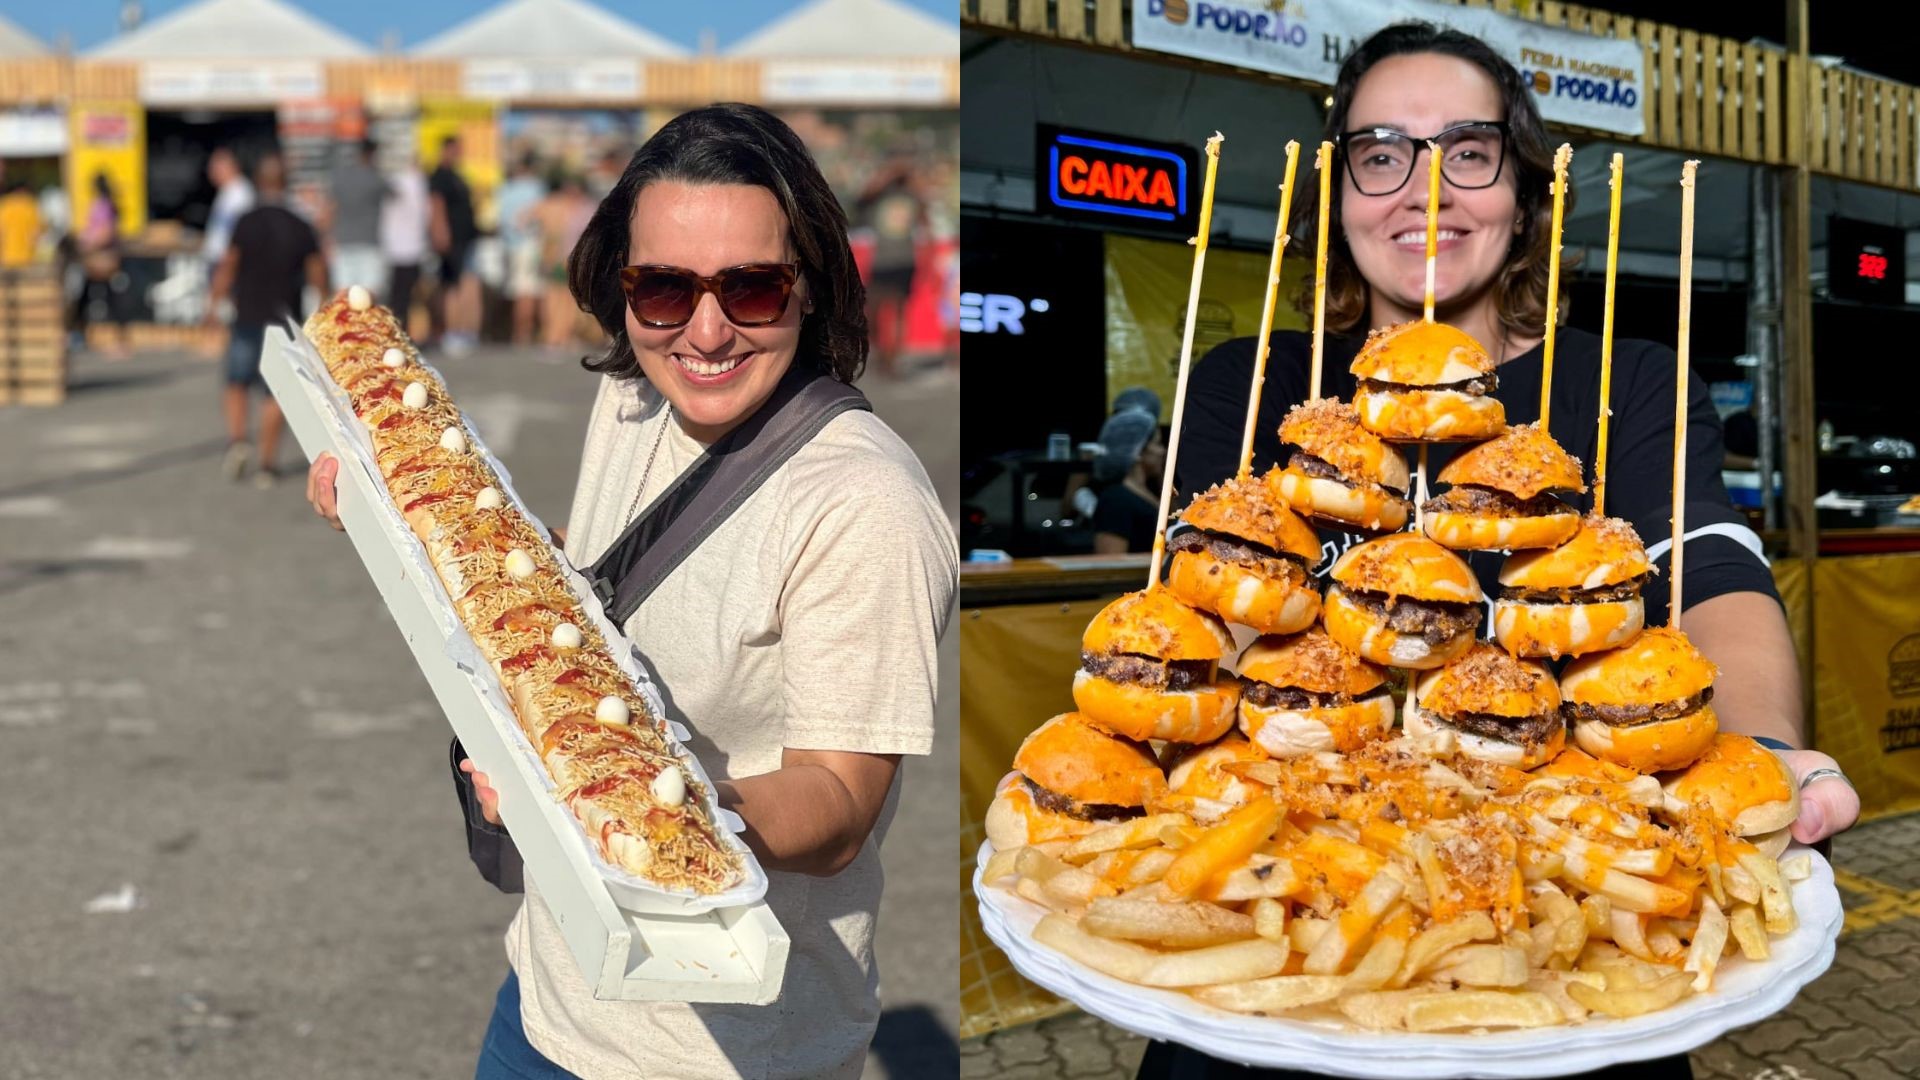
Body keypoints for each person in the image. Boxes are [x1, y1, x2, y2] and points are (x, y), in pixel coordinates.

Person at [1160, 22, 1859, 1079]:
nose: (1424, 191)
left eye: (1470, 153)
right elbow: (1188, 618)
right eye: (1381, 153)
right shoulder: (1255, 384)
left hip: (1570, 978)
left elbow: (1713, 574)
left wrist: (1761, 753)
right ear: (1338, 193)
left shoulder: (1627, 383)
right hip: (1280, 952)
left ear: (1528, 196)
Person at [305, 103, 957, 1079]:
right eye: (662, 288)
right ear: (622, 283)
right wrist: (409, 523)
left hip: (732, 1053)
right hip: (547, 1005)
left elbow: (839, 801)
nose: (704, 331)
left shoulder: (864, 501)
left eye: (752, 287)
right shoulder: (635, 387)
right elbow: (593, 581)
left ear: (812, 286)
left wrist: (628, 805)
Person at [207, 154, 327, 487]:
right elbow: (318, 273)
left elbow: (229, 265)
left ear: (259, 183)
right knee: (277, 393)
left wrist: (213, 305)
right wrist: (325, 308)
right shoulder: (300, 224)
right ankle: (267, 464)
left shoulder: (245, 221)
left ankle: (238, 439)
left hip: (247, 314)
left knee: (236, 382)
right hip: (284, 319)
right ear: (285, 183)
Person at [855, 156, 926, 377]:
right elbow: (860, 201)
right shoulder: (879, 197)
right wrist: (885, 175)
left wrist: (909, 175)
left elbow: (925, 212)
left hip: (904, 261)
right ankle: (881, 354)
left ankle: (892, 359)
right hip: (882, 262)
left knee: (897, 312)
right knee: (873, 312)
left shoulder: (912, 196)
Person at [428, 135, 480, 353]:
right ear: (445, 150)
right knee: (452, 286)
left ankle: (463, 331)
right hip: (452, 240)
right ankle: (452, 332)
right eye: (454, 149)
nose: (457, 153)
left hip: (466, 238)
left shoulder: (457, 176)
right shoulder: (440, 176)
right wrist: (441, 232)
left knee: (464, 285)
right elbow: (437, 205)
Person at [531, 169, 593, 349]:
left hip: (568, 257)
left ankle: (559, 335)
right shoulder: (576, 207)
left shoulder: (561, 206)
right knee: (558, 298)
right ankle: (556, 335)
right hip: (563, 258)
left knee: (563, 298)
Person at [326, 137, 390, 299]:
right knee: (369, 299)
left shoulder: (340, 177)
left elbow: (330, 209)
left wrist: (326, 237)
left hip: (343, 243)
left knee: (342, 299)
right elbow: (395, 196)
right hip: (369, 244)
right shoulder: (375, 178)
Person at [495, 151, 547, 345]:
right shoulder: (536, 188)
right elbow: (541, 215)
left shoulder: (505, 189)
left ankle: (518, 332)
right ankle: (524, 333)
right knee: (530, 290)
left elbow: (499, 219)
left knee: (518, 291)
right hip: (530, 244)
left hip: (510, 245)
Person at [77, 171, 130, 360]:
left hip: (102, 258)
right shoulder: (108, 204)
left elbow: (106, 232)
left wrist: (87, 242)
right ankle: (79, 335)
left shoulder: (103, 205)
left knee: (108, 300)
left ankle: (119, 343)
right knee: (88, 297)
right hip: (101, 258)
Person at [381, 152, 431, 334]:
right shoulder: (419, 184)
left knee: (397, 295)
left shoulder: (393, 182)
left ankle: (399, 330)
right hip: (412, 247)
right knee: (410, 296)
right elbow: (425, 215)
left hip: (394, 247)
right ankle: (405, 330)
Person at [202, 147, 254, 281]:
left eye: (216, 167)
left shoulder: (240, 194)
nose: (211, 172)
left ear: (232, 166)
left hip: (228, 267)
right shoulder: (227, 191)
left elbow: (237, 238)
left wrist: (225, 272)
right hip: (218, 262)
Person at [0, 180, 42, 267]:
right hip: (27, 258)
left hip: (6, 258)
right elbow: (36, 233)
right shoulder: (30, 205)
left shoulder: (4, 205)